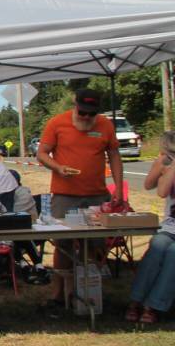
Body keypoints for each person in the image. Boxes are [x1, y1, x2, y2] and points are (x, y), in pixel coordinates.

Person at [36, 88, 125, 317]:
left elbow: (114, 155)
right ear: (75, 105)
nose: (86, 118)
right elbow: (42, 153)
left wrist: (119, 188)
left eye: (91, 114)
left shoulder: (105, 125)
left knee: (96, 243)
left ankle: (92, 292)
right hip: (65, 195)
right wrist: (58, 167)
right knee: (62, 245)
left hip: (96, 194)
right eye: (83, 112)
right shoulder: (58, 123)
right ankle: (57, 296)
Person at [124, 131, 175, 323]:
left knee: (174, 255)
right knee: (157, 247)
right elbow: (160, 191)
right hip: (170, 227)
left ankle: (153, 305)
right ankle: (135, 301)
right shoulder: (166, 164)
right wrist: (169, 167)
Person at [10, 170, 49, 284]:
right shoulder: (4, 194)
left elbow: (13, 215)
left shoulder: (22, 193)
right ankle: (35, 265)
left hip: (32, 232)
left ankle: (25, 265)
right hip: (15, 234)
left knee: (17, 233)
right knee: (14, 233)